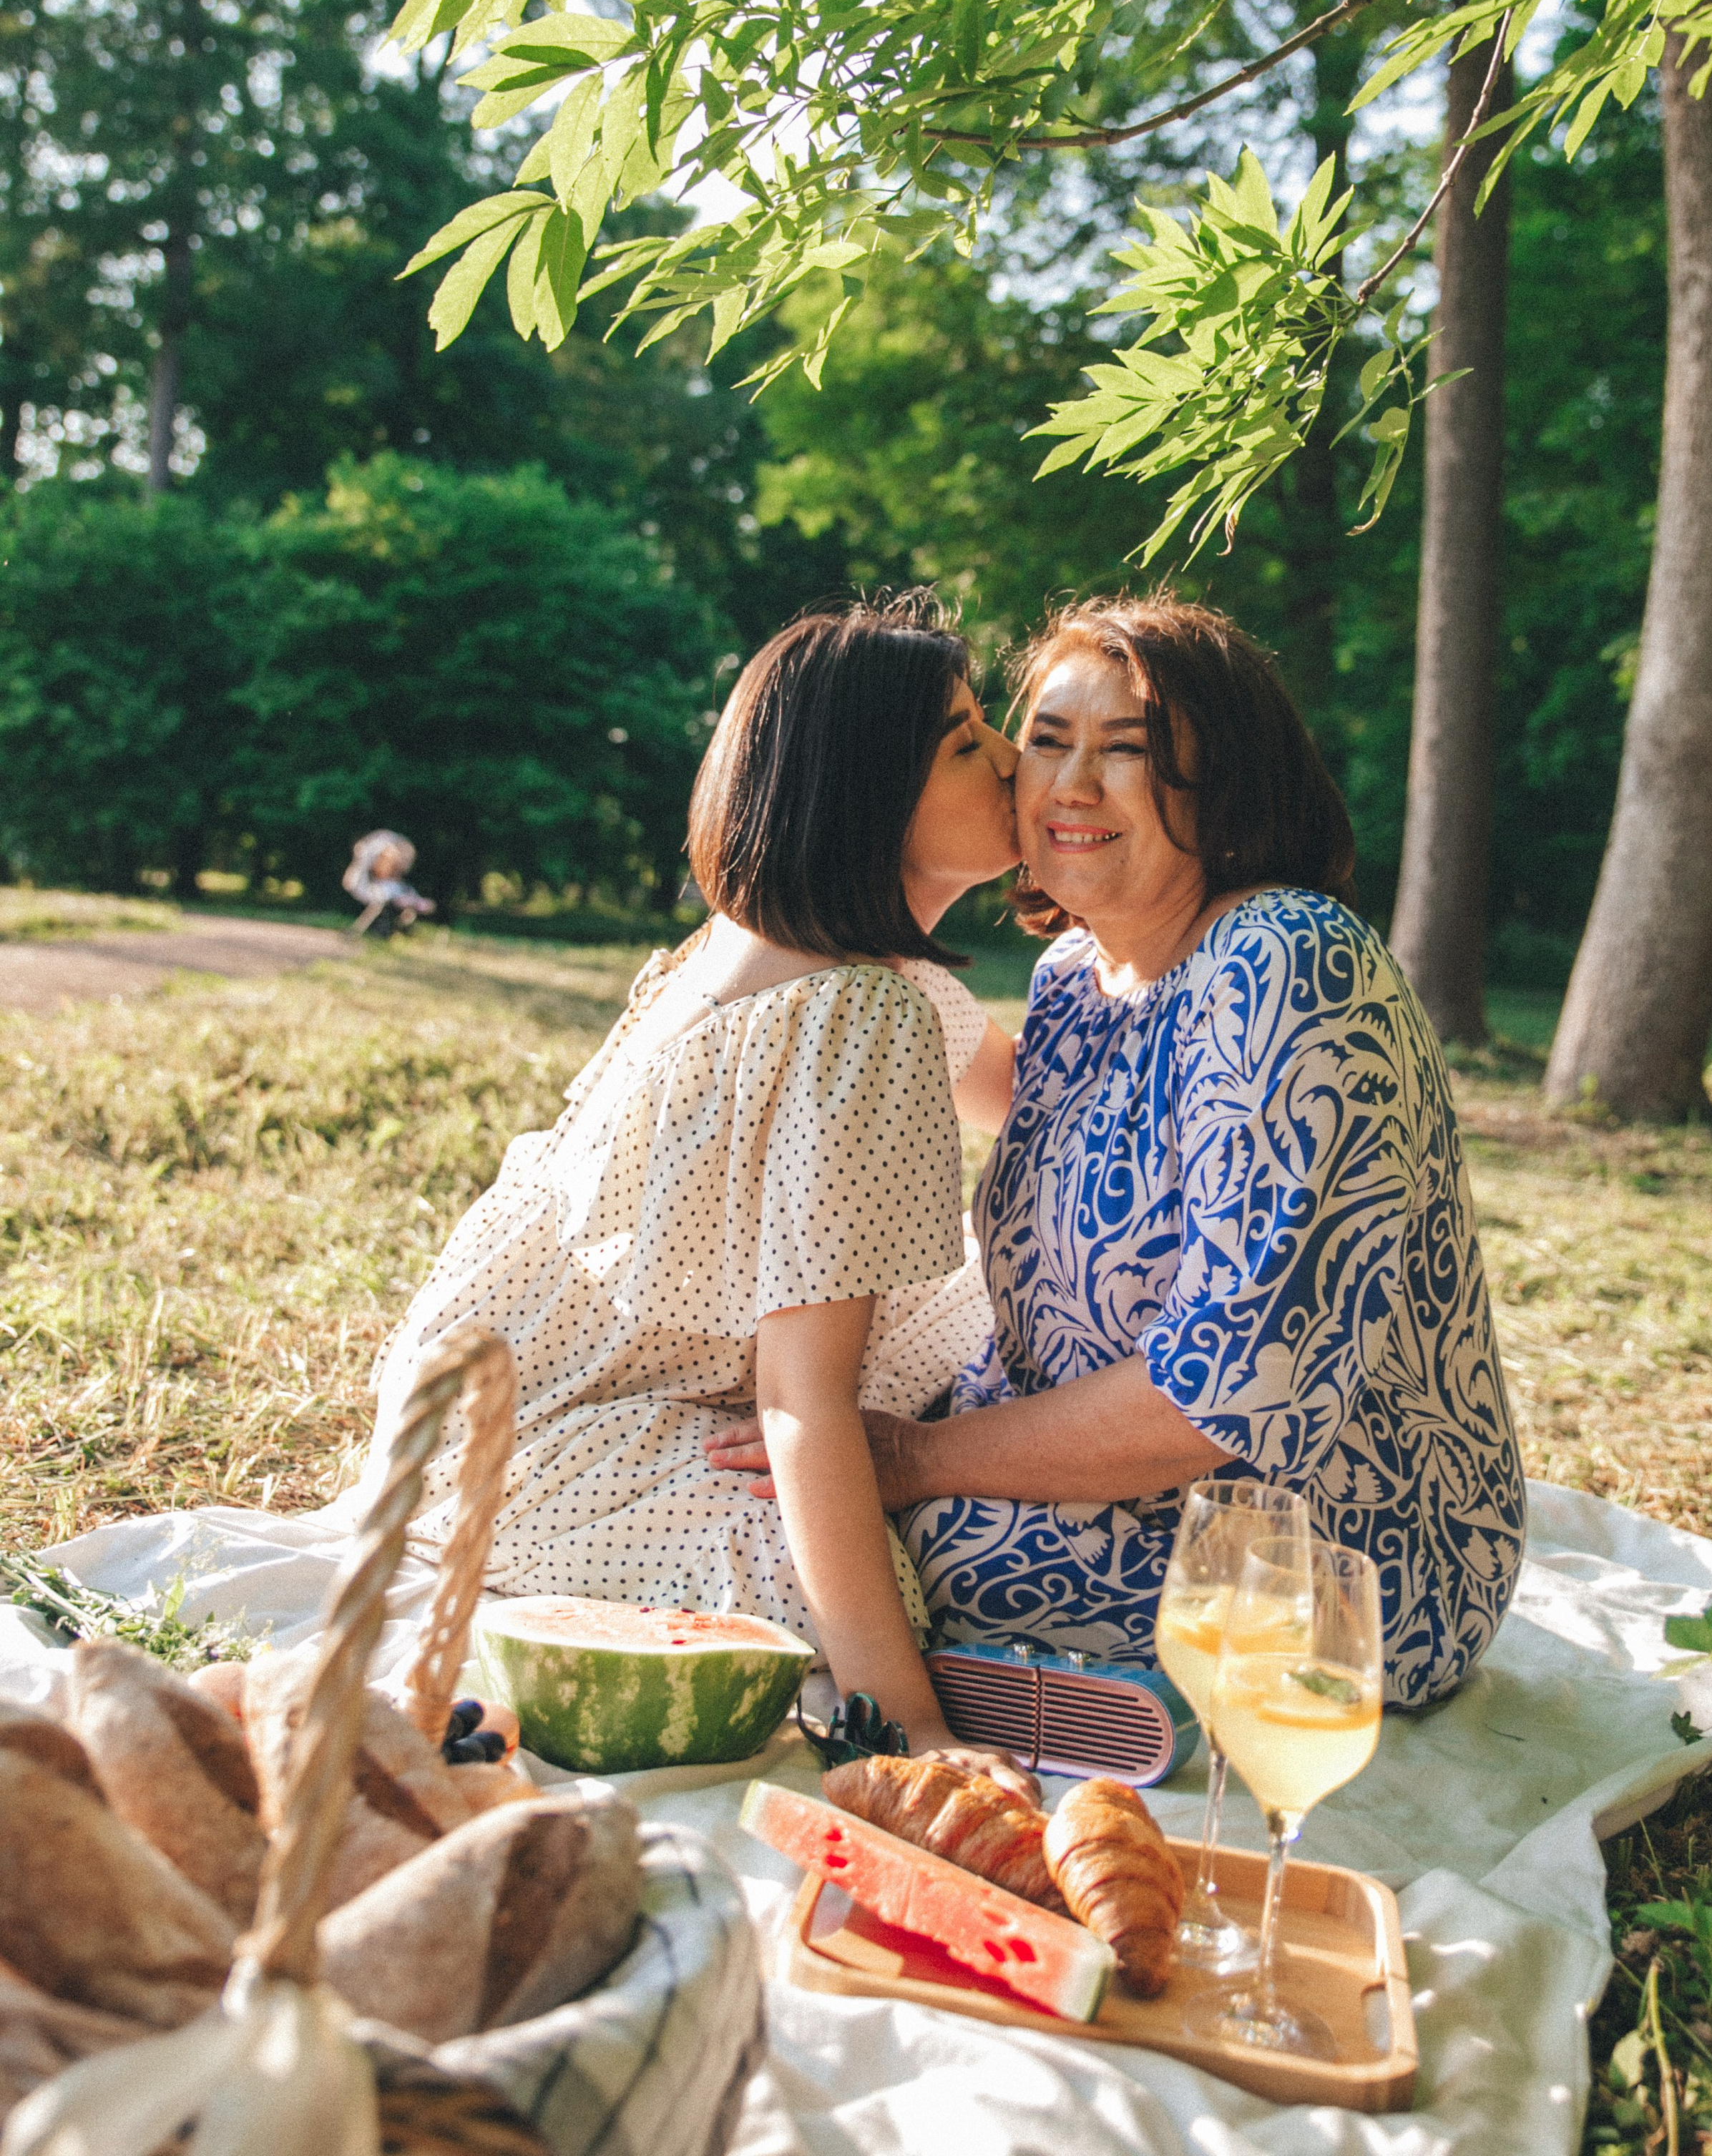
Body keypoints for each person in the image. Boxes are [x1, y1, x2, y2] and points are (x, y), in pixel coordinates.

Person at [712, 594, 1525, 1710]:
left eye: (1129, 753)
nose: (1070, 787)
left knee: (837, 1559)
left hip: (1320, 1546)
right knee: (772, 1500)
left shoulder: (1287, 961)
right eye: (1045, 743)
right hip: (1061, 1469)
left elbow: (1229, 1393)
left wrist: (915, 1461)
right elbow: (901, 1020)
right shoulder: (1073, 980)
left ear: (1225, 782)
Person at [358, 594, 1022, 1774]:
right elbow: (798, 1398)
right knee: (859, 1560)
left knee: (975, 1307)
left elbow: (1029, 1104)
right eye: (970, 742)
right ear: (871, 796)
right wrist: (910, 1724)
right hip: (549, 1443)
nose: (1015, 763)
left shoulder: (788, 946)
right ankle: (912, 1682)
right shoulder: (850, 1011)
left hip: (462, 1404)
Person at [343, 830, 436, 939]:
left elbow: (419, 902)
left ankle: (400, 929)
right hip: (368, 894)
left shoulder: (396, 886)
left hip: (388, 904)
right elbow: (352, 883)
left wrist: (417, 903)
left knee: (397, 906)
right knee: (382, 903)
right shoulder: (363, 878)